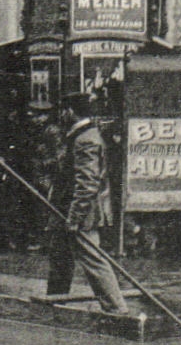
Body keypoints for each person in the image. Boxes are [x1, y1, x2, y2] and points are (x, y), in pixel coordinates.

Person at [47, 91, 130, 314]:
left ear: (70, 112)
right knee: (59, 258)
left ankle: (117, 309)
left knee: (93, 259)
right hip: (64, 209)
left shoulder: (86, 139)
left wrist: (75, 217)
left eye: (64, 111)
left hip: (80, 212)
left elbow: (87, 184)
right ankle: (55, 304)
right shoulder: (79, 135)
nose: (61, 115)